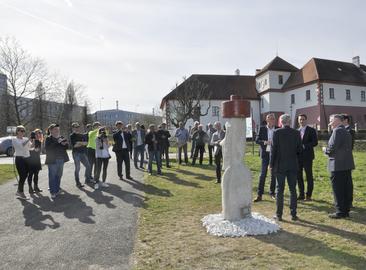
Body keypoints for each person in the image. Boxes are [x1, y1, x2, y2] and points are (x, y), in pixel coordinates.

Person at [270, 114, 302, 221]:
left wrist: (271, 164)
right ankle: (293, 214)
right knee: (293, 189)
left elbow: (273, 150)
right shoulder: (296, 133)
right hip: (293, 164)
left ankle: (279, 215)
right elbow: (299, 150)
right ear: (290, 121)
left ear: (281, 122)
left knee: (280, 190)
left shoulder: (277, 132)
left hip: (280, 164)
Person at [323, 114, 355, 219]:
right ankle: (345, 210)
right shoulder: (346, 131)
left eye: (331, 121)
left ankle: (340, 211)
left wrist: (325, 150)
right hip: (346, 164)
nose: (330, 123)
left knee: (338, 189)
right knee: (345, 188)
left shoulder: (337, 131)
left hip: (337, 165)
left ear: (337, 121)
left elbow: (332, 148)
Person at [254, 113, 277, 202]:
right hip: (265, 154)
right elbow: (257, 140)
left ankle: (272, 193)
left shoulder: (278, 129)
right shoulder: (262, 128)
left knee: (273, 174)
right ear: (267, 120)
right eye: (270, 119)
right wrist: (265, 142)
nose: (271, 120)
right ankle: (260, 194)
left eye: (273, 119)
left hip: (275, 154)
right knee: (263, 174)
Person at [45, 124, 69, 199]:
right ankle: (52, 192)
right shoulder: (48, 138)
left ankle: (57, 189)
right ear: (51, 130)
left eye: (58, 129)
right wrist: (57, 142)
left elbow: (66, 147)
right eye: (55, 129)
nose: (57, 131)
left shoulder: (61, 137)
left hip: (61, 159)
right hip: (52, 160)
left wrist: (64, 144)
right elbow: (48, 148)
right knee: (52, 176)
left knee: (59, 175)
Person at [297, 114, 318, 201]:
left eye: (303, 119)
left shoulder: (311, 130)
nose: (302, 121)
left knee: (309, 176)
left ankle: (308, 195)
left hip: (308, 157)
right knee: (299, 176)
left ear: (306, 120)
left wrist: (304, 146)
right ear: (298, 121)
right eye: (300, 119)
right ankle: (301, 194)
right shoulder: (296, 131)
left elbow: (315, 142)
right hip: (298, 157)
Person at [12, 125, 31, 200]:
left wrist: (34, 141)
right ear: (17, 131)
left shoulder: (26, 139)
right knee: (23, 175)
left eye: (24, 131)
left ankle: (19, 191)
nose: (23, 132)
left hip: (27, 158)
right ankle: (21, 192)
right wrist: (28, 140)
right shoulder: (14, 139)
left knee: (25, 175)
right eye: (21, 131)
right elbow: (20, 146)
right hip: (19, 159)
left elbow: (30, 147)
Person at [70, 122, 92, 187]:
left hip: (82, 153)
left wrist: (79, 143)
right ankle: (77, 183)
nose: (76, 128)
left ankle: (87, 180)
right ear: (72, 128)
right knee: (77, 168)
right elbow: (75, 146)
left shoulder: (82, 135)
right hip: (76, 153)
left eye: (77, 127)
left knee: (88, 166)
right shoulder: (72, 135)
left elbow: (86, 143)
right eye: (75, 127)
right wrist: (82, 143)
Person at [342, 114, 355, 207]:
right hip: (340, 159)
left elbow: (350, 146)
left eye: (341, 119)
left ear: (346, 120)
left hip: (346, 159)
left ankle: (349, 201)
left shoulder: (350, 131)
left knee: (347, 180)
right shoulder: (341, 130)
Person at [27, 129, 43, 193]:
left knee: (36, 174)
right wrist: (32, 141)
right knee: (30, 174)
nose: (37, 135)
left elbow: (38, 150)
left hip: (37, 160)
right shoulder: (28, 141)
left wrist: (37, 149)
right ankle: (30, 188)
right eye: (36, 134)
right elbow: (29, 149)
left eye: (39, 134)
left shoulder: (39, 141)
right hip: (30, 160)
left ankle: (36, 187)